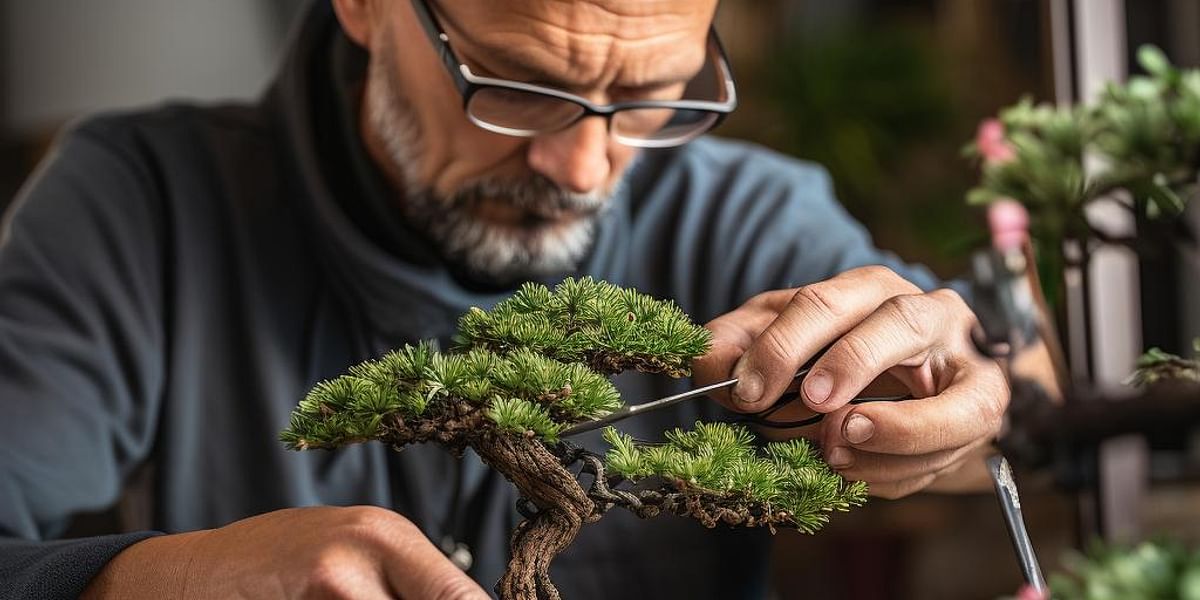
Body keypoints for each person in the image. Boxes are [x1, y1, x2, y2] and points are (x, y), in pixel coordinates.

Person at [0, 0, 1019, 598]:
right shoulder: (138, 204)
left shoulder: (747, 215)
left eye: (648, 100)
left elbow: (1020, 384)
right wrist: (167, 579)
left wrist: (970, 401)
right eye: (521, 88)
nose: (581, 167)